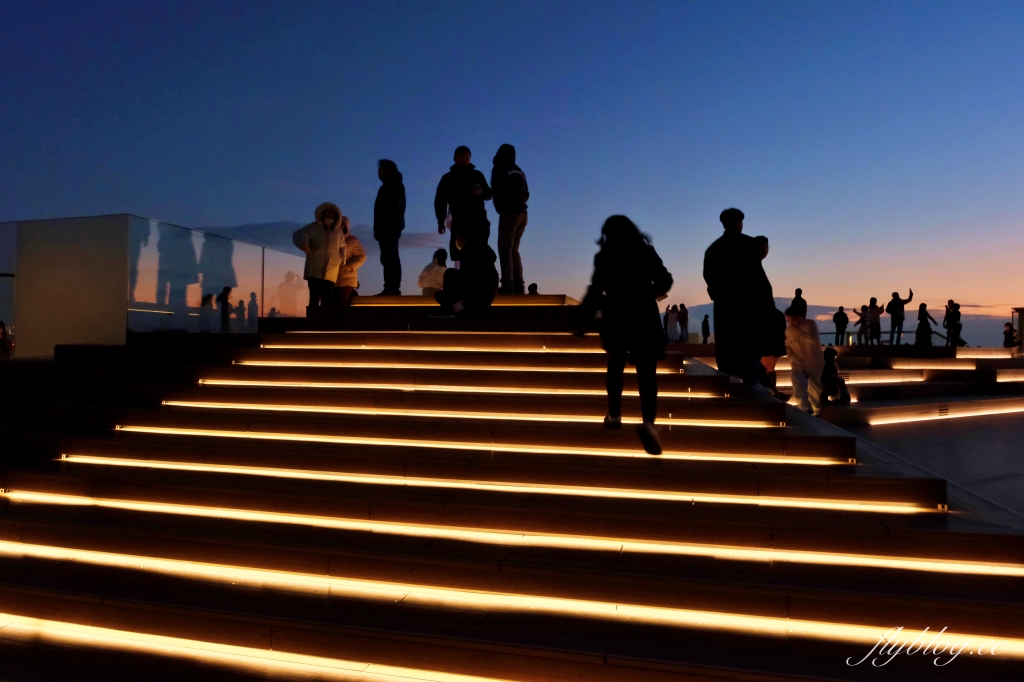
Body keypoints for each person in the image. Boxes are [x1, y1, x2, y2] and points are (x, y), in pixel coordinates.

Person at [573, 215, 673, 455]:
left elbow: (595, 290)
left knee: (615, 365)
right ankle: (648, 424)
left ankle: (615, 416)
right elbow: (665, 280)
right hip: (643, 316)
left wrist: (582, 323)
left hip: (616, 316)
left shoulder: (605, 256)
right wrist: (646, 293)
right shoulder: (645, 252)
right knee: (647, 373)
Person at [702, 209, 775, 385]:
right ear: (737, 223)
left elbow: (708, 276)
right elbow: (759, 279)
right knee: (749, 362)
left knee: (728, 363)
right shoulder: (747, 244)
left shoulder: (713, 248)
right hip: (748, 310)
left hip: (724, 310)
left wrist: (718, 294)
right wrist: (769, 307)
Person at [434, 146, 492, 266]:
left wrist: (481, 192)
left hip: (478, 220)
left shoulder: (477, 175)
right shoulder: (448, 178)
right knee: (460, 253)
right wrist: (440, 221)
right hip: (459, 221)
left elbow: (489, 194)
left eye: (467, 157)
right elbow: (440, 200)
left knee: (480, 252)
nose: (464, 160)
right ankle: (462, 276)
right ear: (455, 158)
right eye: (461, 157)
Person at [491, 144, 530, 294]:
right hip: (523, 213)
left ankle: (507, 285)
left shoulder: (499, 167)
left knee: (505, 249)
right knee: (514, 250)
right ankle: (519, 285)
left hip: (509, 214)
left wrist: (501, 206)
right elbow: (527, 193)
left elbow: (496, 189)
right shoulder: (519, 170)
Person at [293, 202, 346, 309]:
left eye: (332, 212)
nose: (329, 214)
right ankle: (313, 319)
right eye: (327, 211)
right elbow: (298, 234)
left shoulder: (338, 231)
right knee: (314, 298)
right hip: (315, 266)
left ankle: (324, 319)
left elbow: (343, 246)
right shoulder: (314, 227)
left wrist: (341, 259)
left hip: (332, 268)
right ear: (321, 213)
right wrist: (306, 247)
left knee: (327, 300)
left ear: (336, 215)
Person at [435, 236, 499, 315]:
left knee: (449, 274)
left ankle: (452, 308)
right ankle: (454, 307)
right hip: (487, 296)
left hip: (475, 296)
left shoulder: (467, 251)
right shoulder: (485, 252)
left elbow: (467, 278)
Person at [373, 159, 406, 295]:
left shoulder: (394, 185)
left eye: (380, 170)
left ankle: (392, 288)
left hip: (389, 228)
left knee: (390, 258)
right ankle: (391, 287)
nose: (378, 173)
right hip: (388, 228)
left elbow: (391, 209)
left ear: (388, 171)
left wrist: (384, 227)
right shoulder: (389, 185)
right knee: (388, 258)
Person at [785, 305, 824, 415]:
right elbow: (788, 346)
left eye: (789, 318)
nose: (788, 321)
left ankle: (816, 409)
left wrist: (797, 330)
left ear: (796, 317)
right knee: (798, 384)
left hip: (814, 360)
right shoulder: (789, 330)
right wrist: (791, 357)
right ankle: (804, 408)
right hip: (797, 362)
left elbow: (813, 340)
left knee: (814, 387)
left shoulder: (810, 324)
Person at [333, 216, 366, 306]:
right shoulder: (331, 240)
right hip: (332, 278)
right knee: (333, 304)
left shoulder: (352, 240)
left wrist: (349, 267)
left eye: (341, 224)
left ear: (346, 225)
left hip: (347, 278)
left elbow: (362, 256)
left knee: (341, 304)